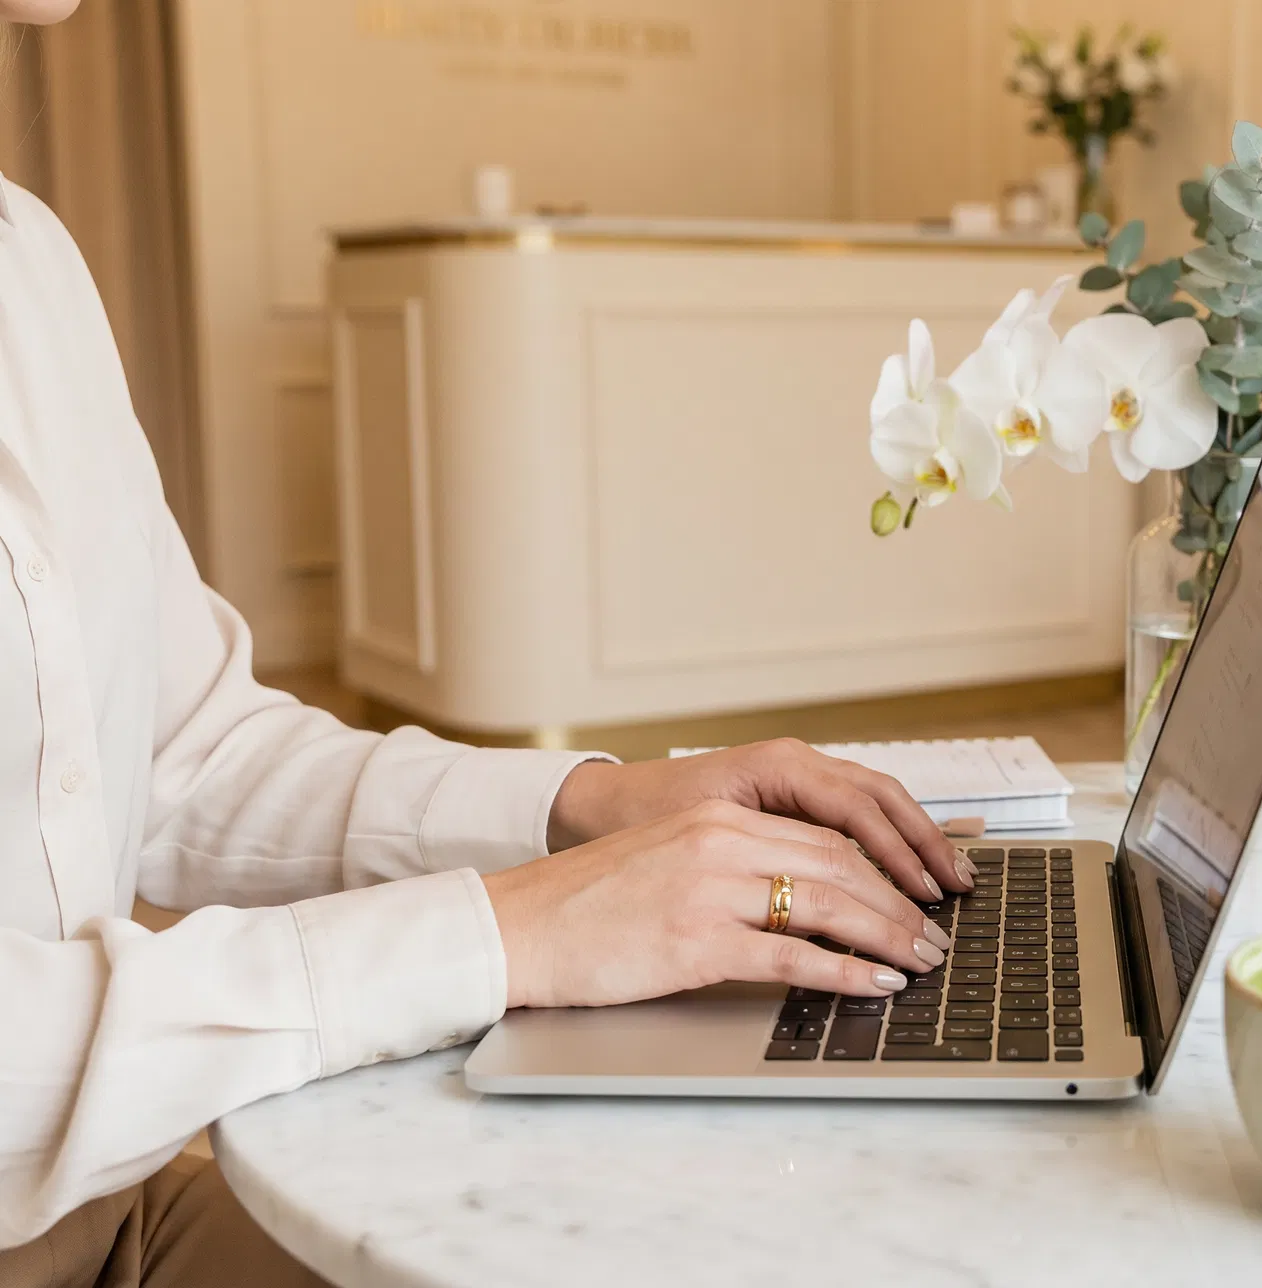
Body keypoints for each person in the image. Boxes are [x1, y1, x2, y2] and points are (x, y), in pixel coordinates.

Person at [0, 2, 972, 1282]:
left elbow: (197, 755)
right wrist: (505, 935)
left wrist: (598, 805)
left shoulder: (31, 262)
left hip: (106, 1216)